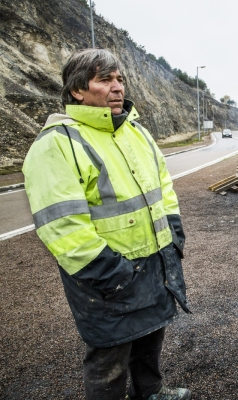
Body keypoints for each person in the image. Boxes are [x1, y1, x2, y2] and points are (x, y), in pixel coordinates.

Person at [22, 48, 191, 400]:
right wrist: (109, 271)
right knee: (109, 358)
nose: (117, 88)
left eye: (120, 79)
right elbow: (62, 226)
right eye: (105, 80)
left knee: (150, 335)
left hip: (154, 260)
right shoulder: (57, 143)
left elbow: (164, 189)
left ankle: (152, 392)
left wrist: (172, 232)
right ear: (77, 91)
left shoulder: (137, 133)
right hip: (105, 275)